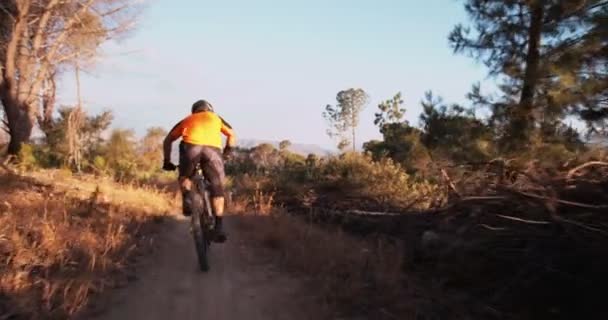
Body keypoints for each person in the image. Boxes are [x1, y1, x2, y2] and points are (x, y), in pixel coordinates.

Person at [162, 99, 235, 242]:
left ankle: (188, 198)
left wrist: (167, 162)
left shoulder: (188, 119)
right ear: (210, 110)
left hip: (191, 149)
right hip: (212, 152)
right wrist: (226, 153)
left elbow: (168, 139)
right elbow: (232, 134)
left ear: (194, 111)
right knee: (217, 188)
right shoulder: (216, 118)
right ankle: (218, 227)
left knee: (185, 176)